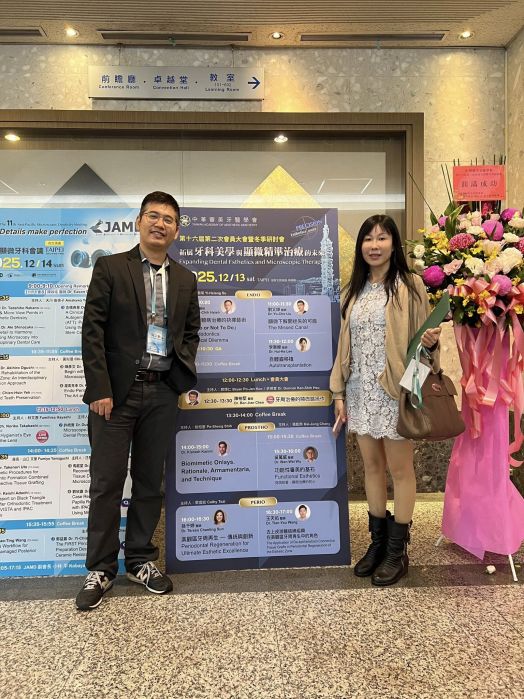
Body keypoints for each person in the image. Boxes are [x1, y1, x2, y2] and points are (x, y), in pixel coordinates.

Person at [76, 191, 200, 611]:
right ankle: (100, 568)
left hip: (161, 391)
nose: (160, 224)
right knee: (107, 483)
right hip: (115, 395)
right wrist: (99, 388)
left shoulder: (185, 279)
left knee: (149, 481)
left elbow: (191, 332)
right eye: (153, 216)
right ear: (139, 222)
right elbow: (92, 329)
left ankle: (140, 560)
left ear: (176, 230)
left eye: (168, 219)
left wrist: (178, 378)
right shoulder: (112, 267)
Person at [330, 214, 441, 587]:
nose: (374, 245)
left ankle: (397, 552)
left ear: (394, 244)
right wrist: (339, 392)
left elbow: (425, 342)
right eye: (368, 238)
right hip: (360, 391)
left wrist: (429, 349)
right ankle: (377, 545)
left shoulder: (410, 286)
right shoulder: (353, 291)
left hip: (394, 392)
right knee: (372, 468)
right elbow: (344, 346)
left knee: (401, 470)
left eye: (382, 238)